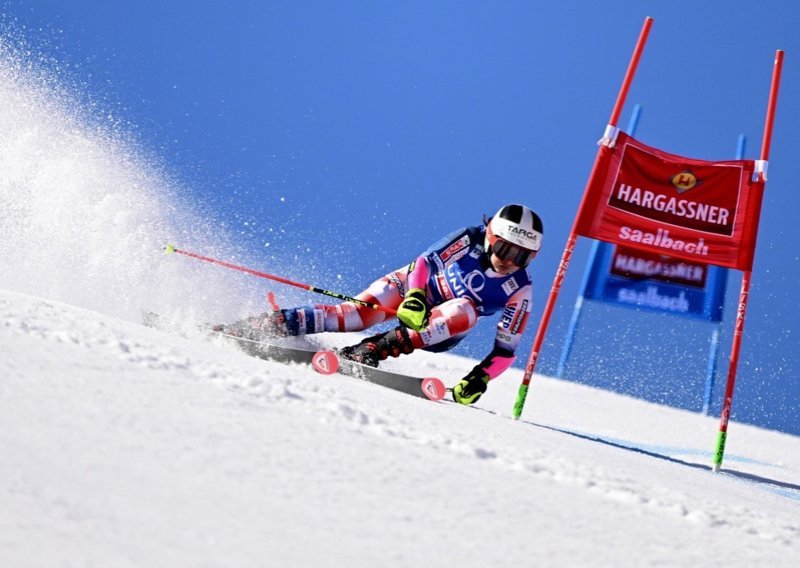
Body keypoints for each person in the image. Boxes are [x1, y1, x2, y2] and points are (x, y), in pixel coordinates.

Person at [215, 204, 543, 405]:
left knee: (463, 312)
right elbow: (425, 263)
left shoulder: (519, 290)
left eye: (523, 256)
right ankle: (264, 325)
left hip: (440, 326)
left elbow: (505, 352)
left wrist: (480, 378)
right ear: (490, 235)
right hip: (412, 288)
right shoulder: (469, 238)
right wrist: (414, 296)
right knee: (355, 316)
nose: (511, 262)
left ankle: (372, 349)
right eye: (505, 249)